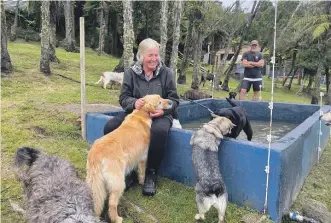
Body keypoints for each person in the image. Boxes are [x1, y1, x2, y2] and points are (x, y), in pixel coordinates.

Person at [103, 38, 180, 196]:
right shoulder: (131, 73)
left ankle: (151, 174)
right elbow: (124, 98)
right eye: (150, 55)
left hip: (160, 114)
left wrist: (163, 112)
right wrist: (134, 102)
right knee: (110, 127)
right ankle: (129, 170)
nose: (154, 59)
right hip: (137, 113)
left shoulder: (167, 73)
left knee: (159, 132)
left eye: (156, 55)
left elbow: (175, 101)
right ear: (141, 57)